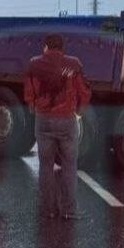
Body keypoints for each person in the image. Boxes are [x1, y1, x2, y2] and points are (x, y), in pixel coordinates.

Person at [24, 33, 92, 220]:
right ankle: (69, 211)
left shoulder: (34, 64)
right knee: (69, 166)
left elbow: (29, 92)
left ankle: (49, 210)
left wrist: (35, 108)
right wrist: (78, 112)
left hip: (43, 120)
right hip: (66, 120)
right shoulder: (74, 64)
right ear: (62, 48)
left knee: (45, 166)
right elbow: (85, 92)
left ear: (46, 47)